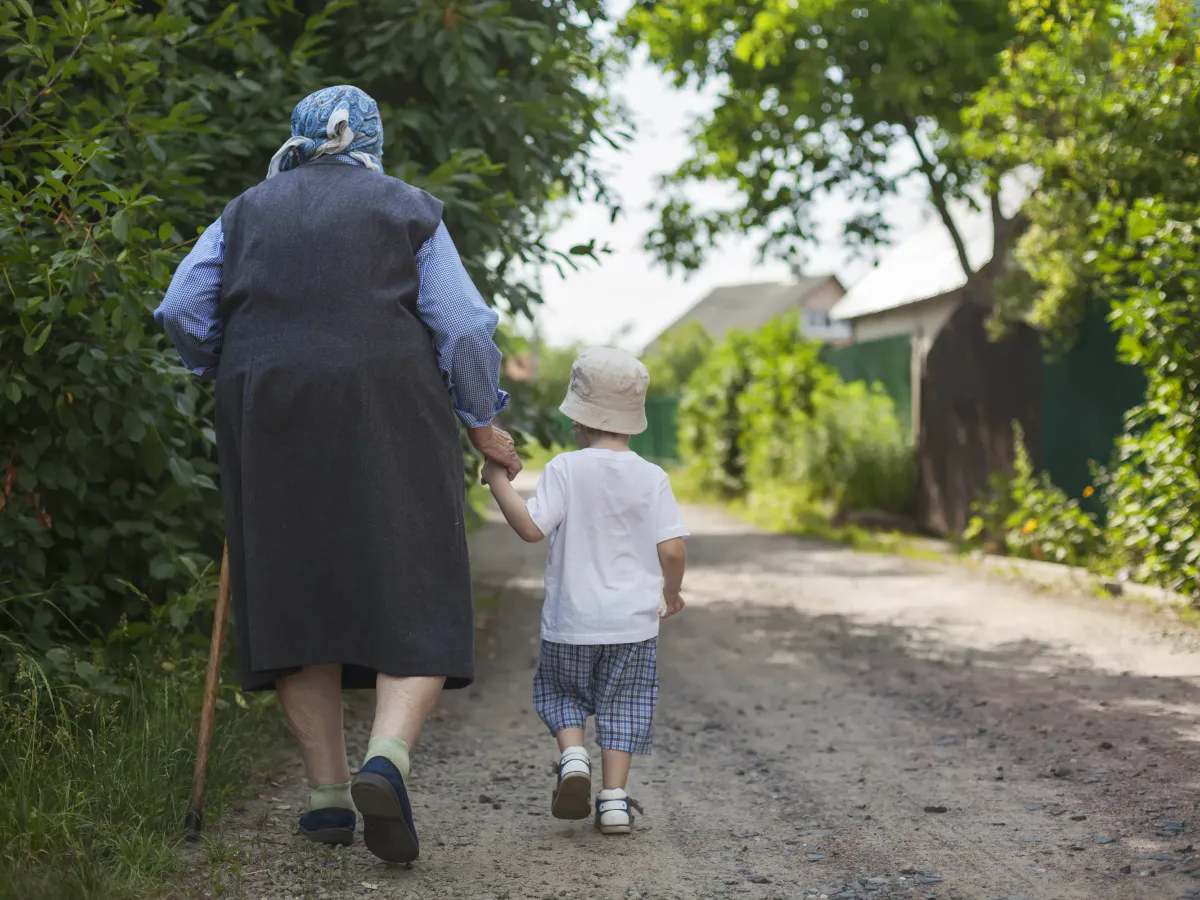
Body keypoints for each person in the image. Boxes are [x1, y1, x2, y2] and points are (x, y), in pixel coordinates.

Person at [154, 85, 522, 864]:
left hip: (268, 407)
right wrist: (482, 421)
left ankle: (326, 799)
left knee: (292, 583)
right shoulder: (408, 208)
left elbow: (182, 307)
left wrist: (233, 366)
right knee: (415, 574)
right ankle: (384, 760)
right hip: (391, 404)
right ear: (373, 144)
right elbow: (462, 326)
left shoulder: (244, 211)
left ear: (296, 141)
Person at [481, 346, 688, 835]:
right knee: (624, 705)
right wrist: (671, 592)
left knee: (562, 693)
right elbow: (673, 548)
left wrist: (496, 480)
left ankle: (573, 756)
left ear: (578, 419)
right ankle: (613, 802)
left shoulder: (564, 469)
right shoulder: (653, 477)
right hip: (633, 625)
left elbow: (531, 528)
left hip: (571, 621)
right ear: (633, 419)